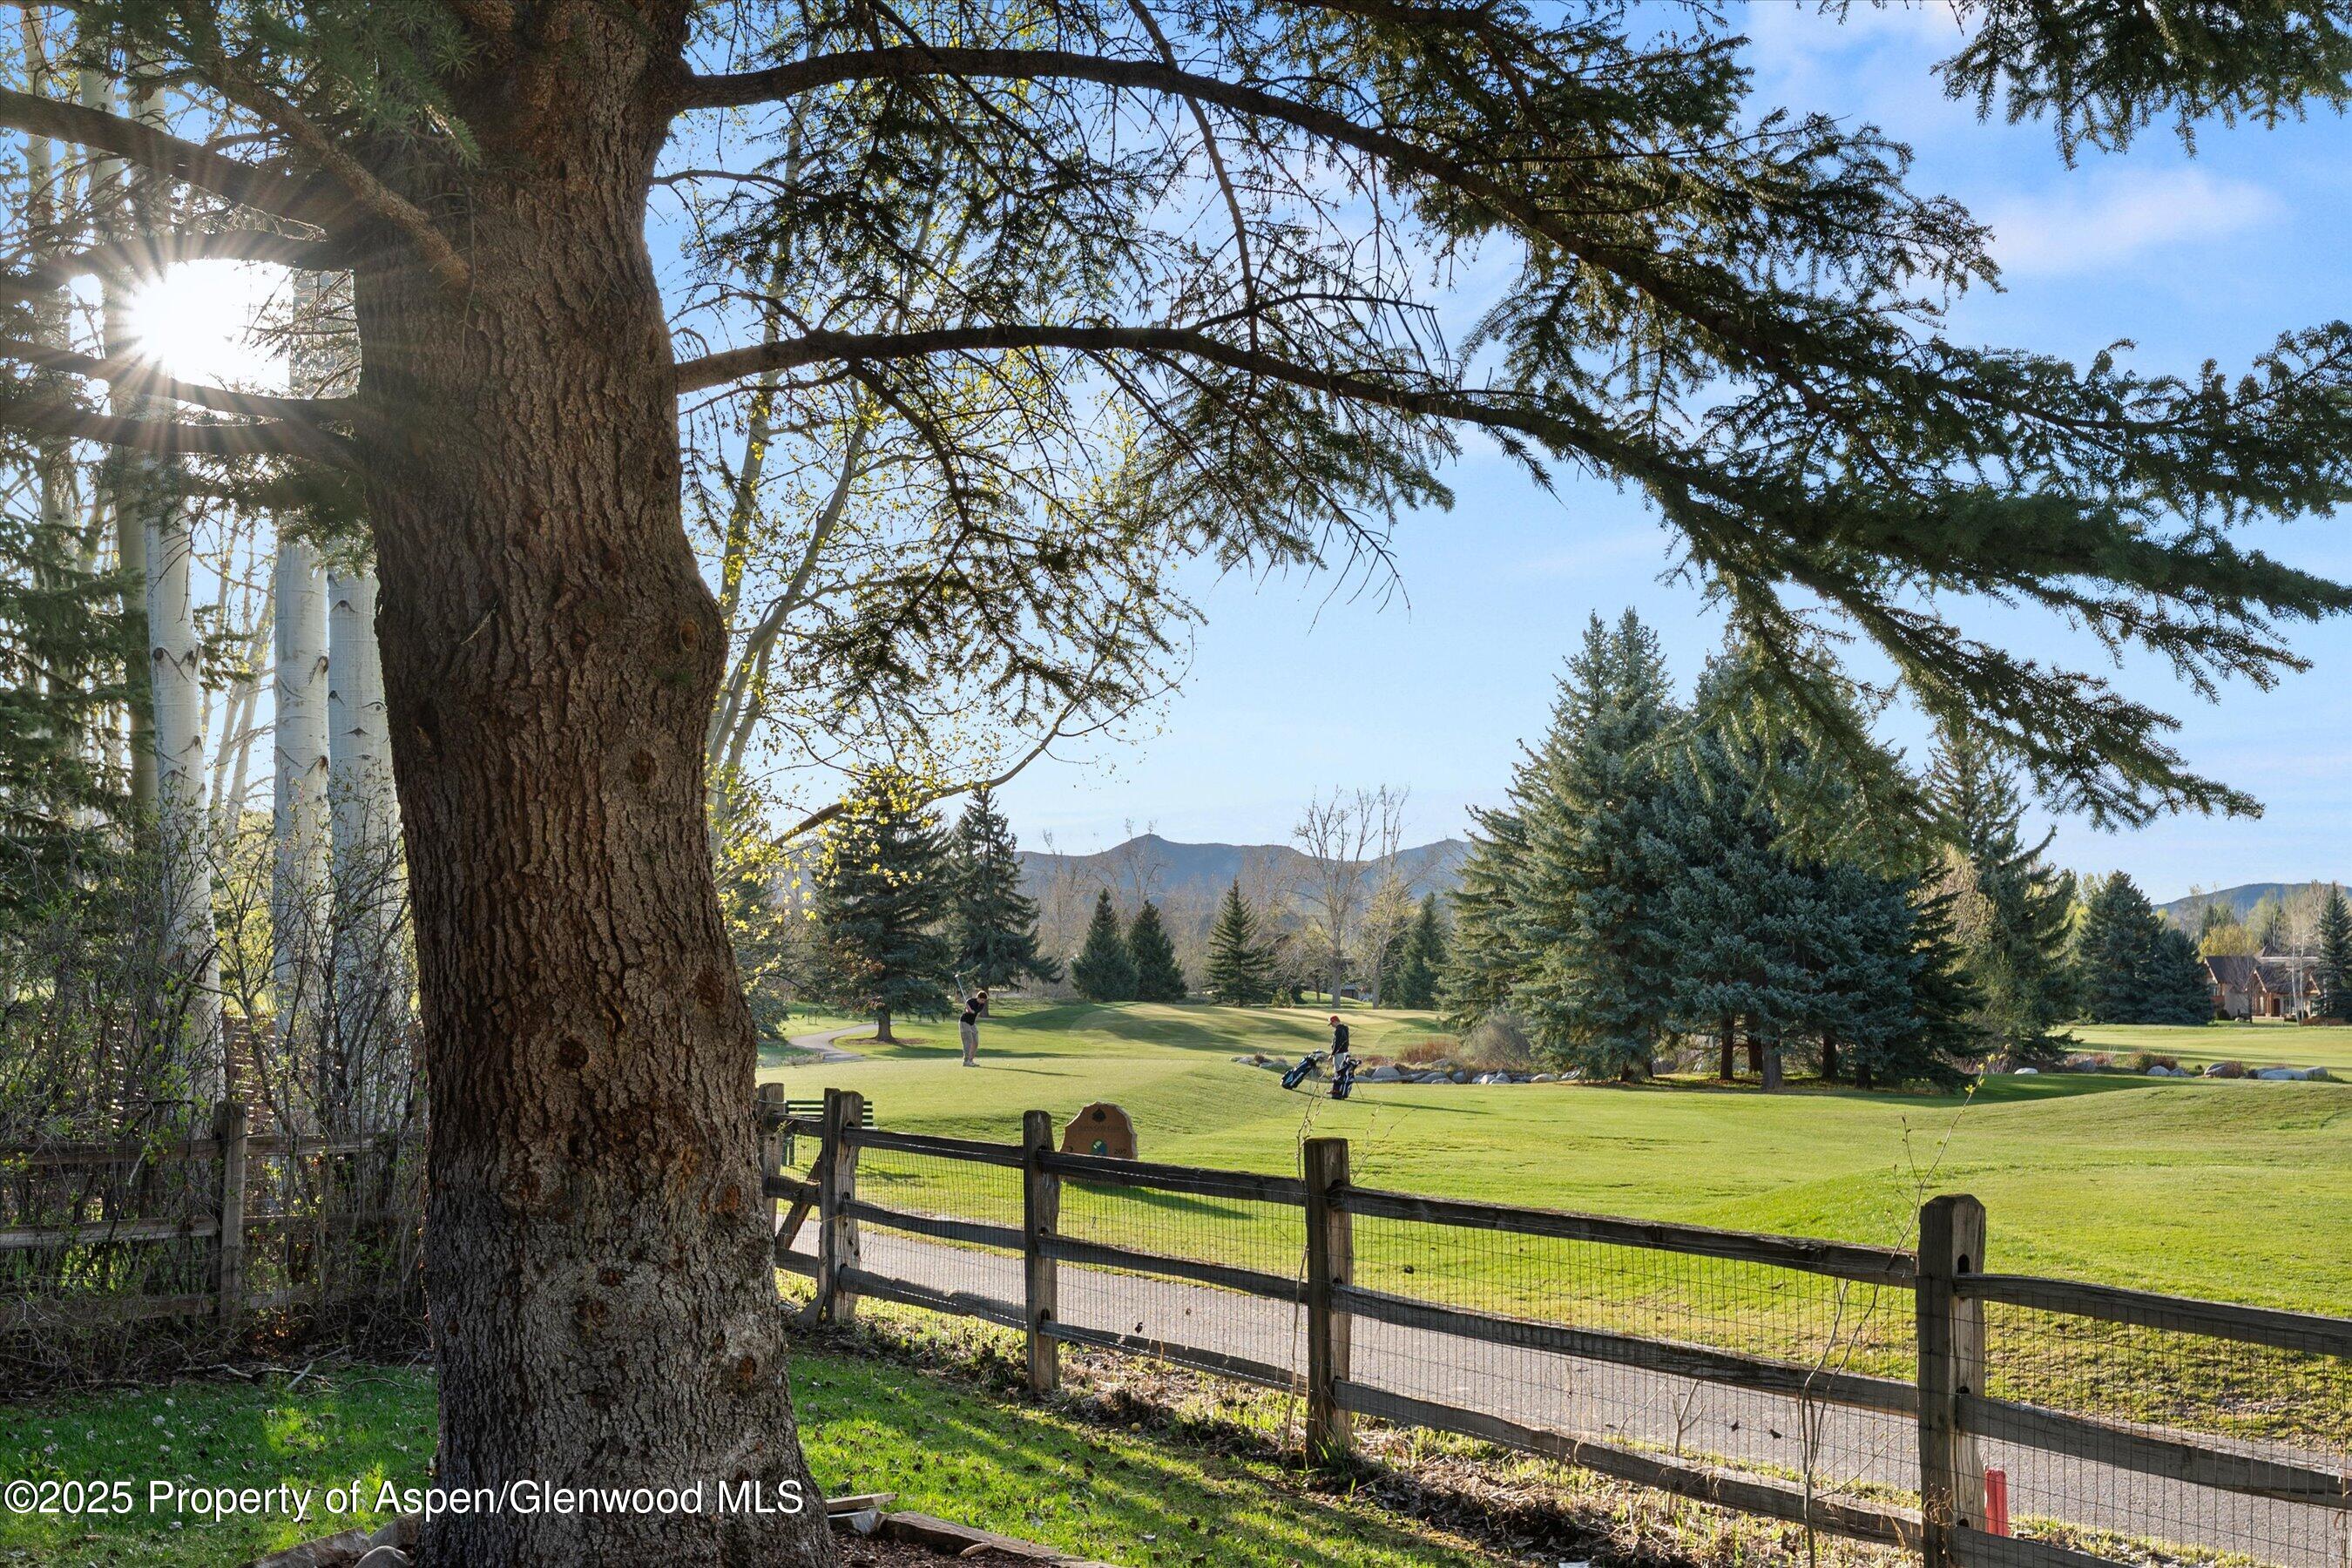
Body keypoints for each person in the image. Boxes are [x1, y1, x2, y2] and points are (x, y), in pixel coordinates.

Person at [960, 988, 989, 1067]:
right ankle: (966, 1061)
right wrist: (967, 1006)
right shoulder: (970, 1001)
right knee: (968, 1041)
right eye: (982, 1000)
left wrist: (969, 1008)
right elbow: (967, 1011)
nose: (983, 1002)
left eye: (984, 1000)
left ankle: (970, 1060)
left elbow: (972, 1012)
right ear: (978, 998)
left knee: (976, 1041)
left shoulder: (981, 1005)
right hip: (964, 1022)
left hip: (972, 1024)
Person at [1327, 1015, 1353, 1099]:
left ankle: (1337, 1090)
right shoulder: (1345, 1029)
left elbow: (1337, 1044)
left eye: (1332, 1023)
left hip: (1339, 1054)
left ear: (1335, 1021)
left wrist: (1332, 1054)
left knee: (1338, 1072)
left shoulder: (1338, 1030)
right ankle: (1338, 1089)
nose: (1332, 1025)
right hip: (1345, 1053)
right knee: (1342, 1072)